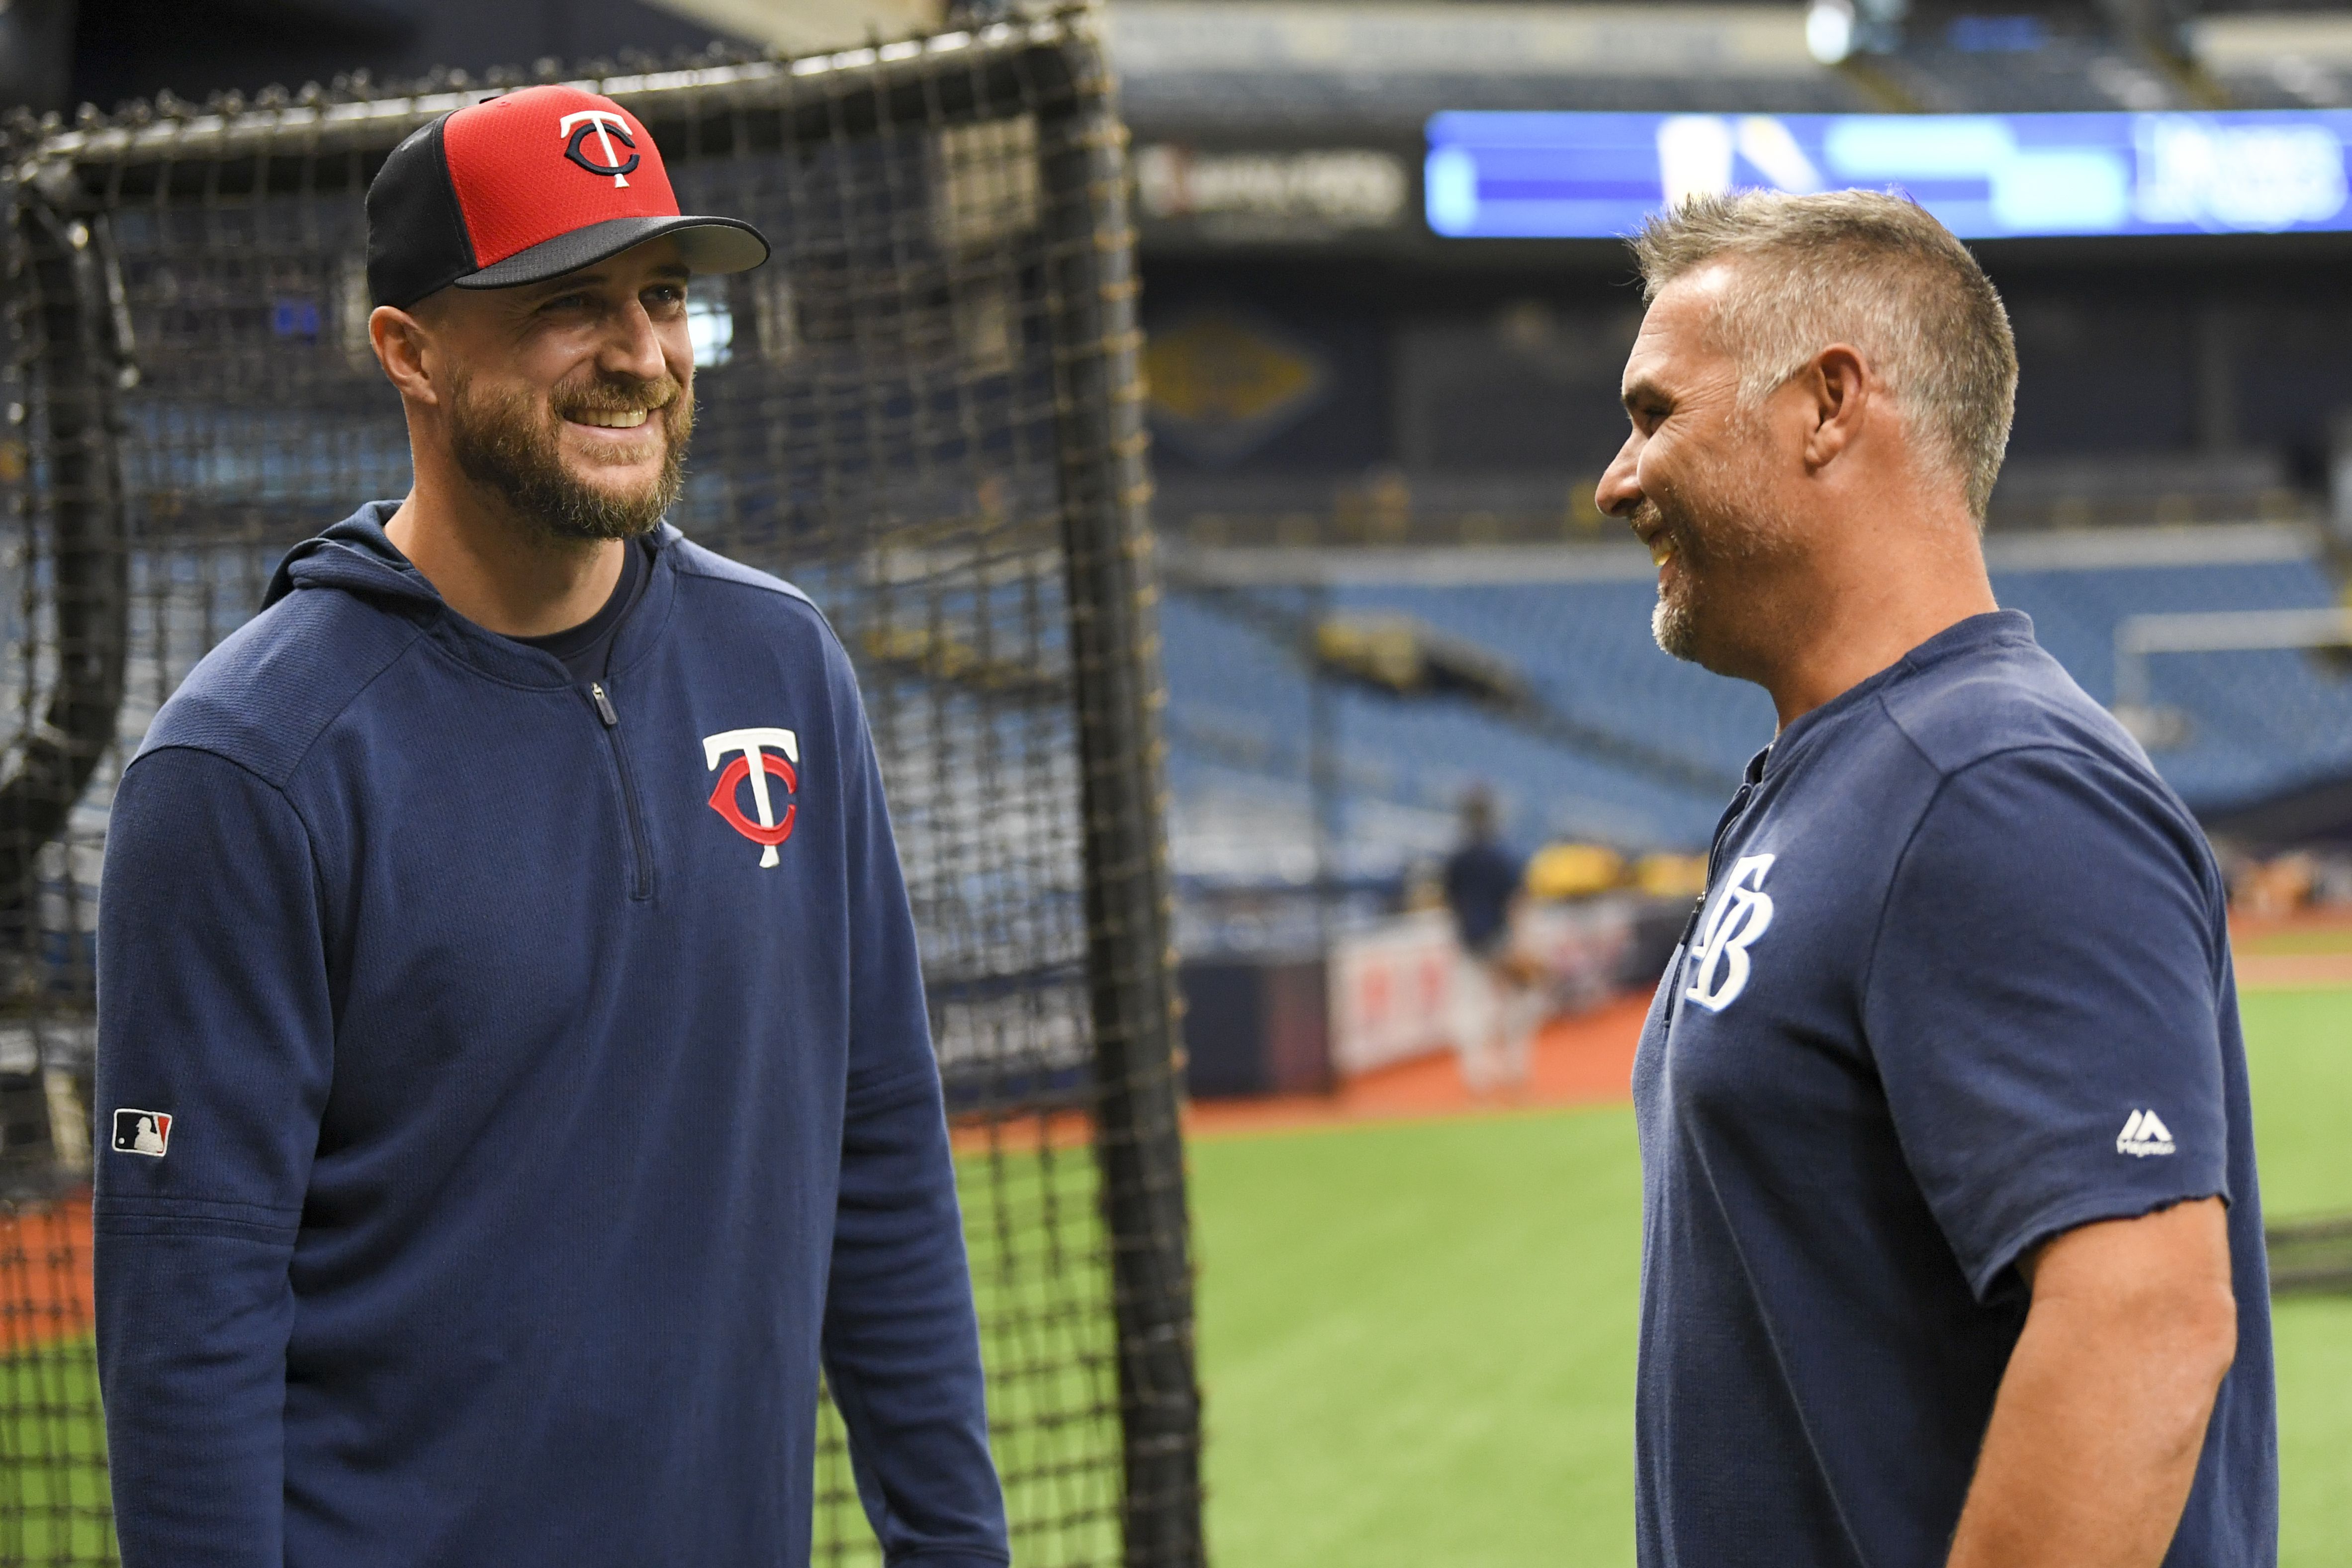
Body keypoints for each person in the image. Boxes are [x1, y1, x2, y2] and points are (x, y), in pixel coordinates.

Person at [91, 85, 1009, 1567]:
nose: (642, 353)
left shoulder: (783, 667)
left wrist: (954, 1546)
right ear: (410, 352)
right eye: (566, 302)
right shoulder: (247, 759)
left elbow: (881, 1139)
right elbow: (190, 1303)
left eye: (661, 296)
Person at [1598, 189, 2272, 1568]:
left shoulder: (1988, 779)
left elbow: (2143, 1315)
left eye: (1656, 413)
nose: (1617, 477)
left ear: (1828, 404)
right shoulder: (1855, 773)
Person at [1441, 788, 1540, 1093]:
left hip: (1469, 941)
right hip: (1501, 941)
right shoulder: (1501, 855)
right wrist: (1523, 942)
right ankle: (1514, 1069)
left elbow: (1450, 902)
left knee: (1471, 1008)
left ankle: (1477, 1076)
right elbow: (1518, 900)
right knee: (1517, 1006)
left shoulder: (1457, 857)